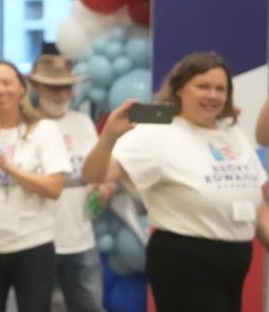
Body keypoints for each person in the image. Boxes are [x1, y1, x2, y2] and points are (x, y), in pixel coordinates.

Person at [83, 52, 267, 312]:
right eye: (203, 86)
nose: (212, 95)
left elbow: (258, 205)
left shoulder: (232, 132)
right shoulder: (157, 133)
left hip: (234, 261)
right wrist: (108, 138)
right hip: (184, 260)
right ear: (179, 89)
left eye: (220, 88)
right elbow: (95, 175)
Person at [0, 60, 72, 312]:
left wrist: (8, 166)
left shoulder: (44, 130)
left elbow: (54, 188)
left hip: (32, 244)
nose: (0, 89)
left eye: (7, 83)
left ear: (22, 88)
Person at [28, 55, 103, 312]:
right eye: (53, 86)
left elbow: (97, 172)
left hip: (81, 239)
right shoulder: (25, 126)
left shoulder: (83, 123)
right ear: (36, 87)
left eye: (66, 86)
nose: (61, 93)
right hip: (34, 243)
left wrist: (103, 187)